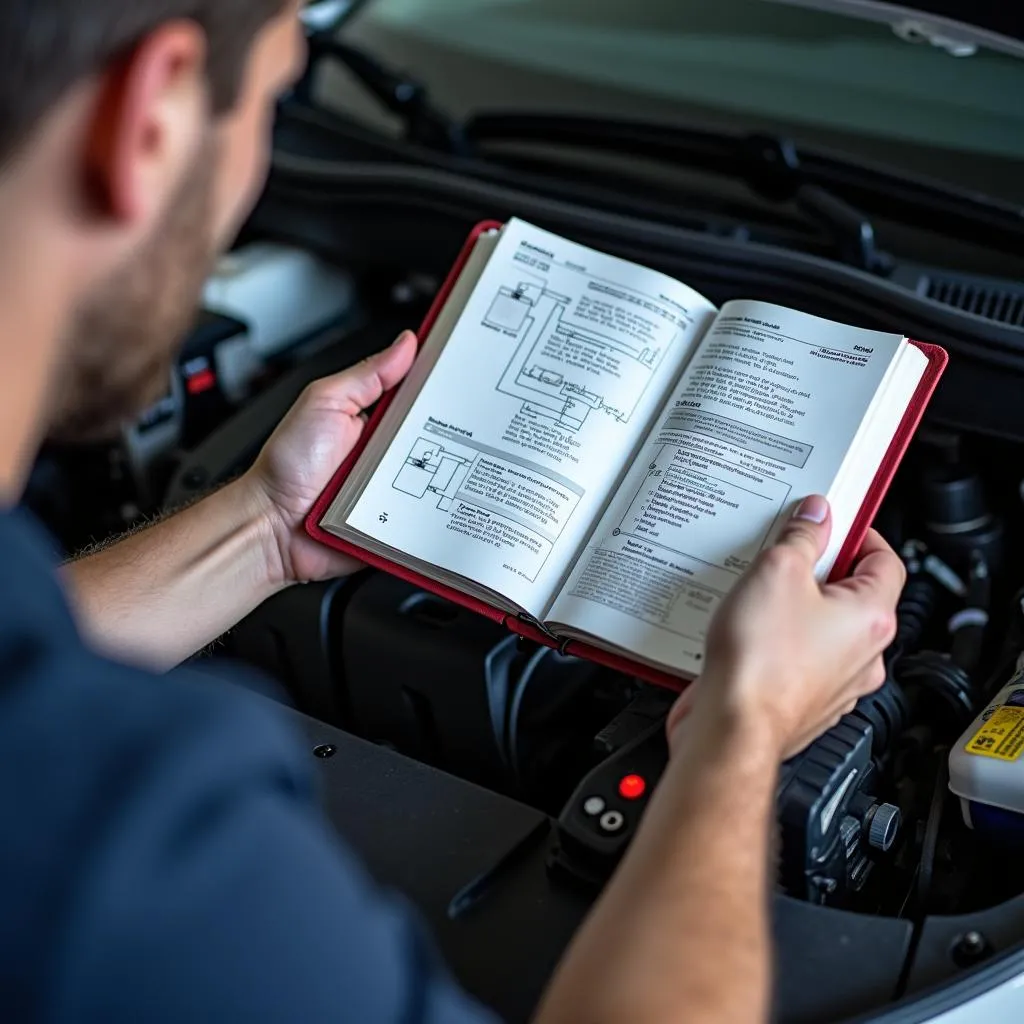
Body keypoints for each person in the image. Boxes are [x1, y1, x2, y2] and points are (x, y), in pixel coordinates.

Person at [0, 1, 906, 1021]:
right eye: (273, 97)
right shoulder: (116, 837)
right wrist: (744, 726)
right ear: (152, 111)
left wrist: (264, 526)